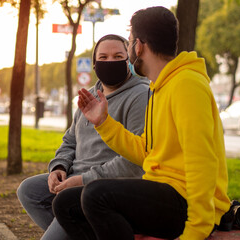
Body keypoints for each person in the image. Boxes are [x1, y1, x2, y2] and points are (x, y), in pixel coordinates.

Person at [53, 6, 231, 240]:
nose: (128, 51)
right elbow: (147, 152)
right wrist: (104, 123)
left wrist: (197, 230)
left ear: (138, 46)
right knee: (66, 202)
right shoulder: (160, 87)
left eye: (127, 44)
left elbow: (203, 161)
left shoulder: (186, 84)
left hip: (185, 201)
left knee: (96, 195)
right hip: (162, 190)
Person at [17, 34, 149, 240]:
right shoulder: (89, 96)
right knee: (30, 190)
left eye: (118, 56)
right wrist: (59, 168)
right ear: (94, 65)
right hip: (74, 179)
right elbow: (70, 141)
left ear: (129, 60)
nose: (110, 62)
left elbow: (135, 161)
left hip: (106, 187)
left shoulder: (140, 95)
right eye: (103, 58)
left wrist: (83, 180)